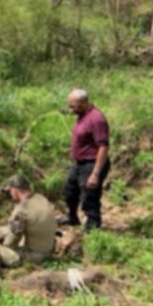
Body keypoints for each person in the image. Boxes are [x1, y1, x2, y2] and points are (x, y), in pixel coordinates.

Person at [60, 89, 110, 231]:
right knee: (69, 191)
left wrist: (95, 173)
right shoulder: (82, 115)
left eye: (73, 106)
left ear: (83, 102)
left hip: (92, 163)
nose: (71, 110)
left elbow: (103, 147)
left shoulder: (97, 119)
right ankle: (72, 217)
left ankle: (93, 226)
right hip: (79, 163)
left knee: (89, 196)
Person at [0, 174, 57, 267]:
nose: (10, 195)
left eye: (10, 191)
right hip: (47, 246)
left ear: (14, 190)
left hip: (36, 256)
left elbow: (10, 243)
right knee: (4, 230)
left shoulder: (22, 211)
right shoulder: (40, 198)